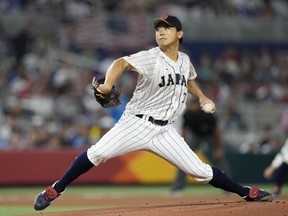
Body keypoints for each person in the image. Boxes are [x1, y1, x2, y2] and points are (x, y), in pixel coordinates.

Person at [34, 15, 272, 211]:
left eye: (167, 28)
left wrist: (201, 97)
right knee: (97, 154)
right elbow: (120, 63)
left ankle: (245, 192)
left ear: (179, 34)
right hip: (136, 124)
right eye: (158, 28)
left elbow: (188, 79)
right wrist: (107, 84)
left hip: (165, 130)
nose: (161, 32)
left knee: (200, 170)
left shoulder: (185, 60)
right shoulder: (151, 58)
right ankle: (55, 189)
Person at [171, 98, 231, 193]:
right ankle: (177, 187)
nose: (190, 106)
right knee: (183, 159)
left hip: (210, 136)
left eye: (192, 104)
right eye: (189, 104)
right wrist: (181, 145)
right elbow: (185, 130)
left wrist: (219, 148)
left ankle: (229, 187)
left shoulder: (208, 114)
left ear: (198, 105)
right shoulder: (187, 114)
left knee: (220, 161)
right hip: (196, 136)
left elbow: (216, 132)